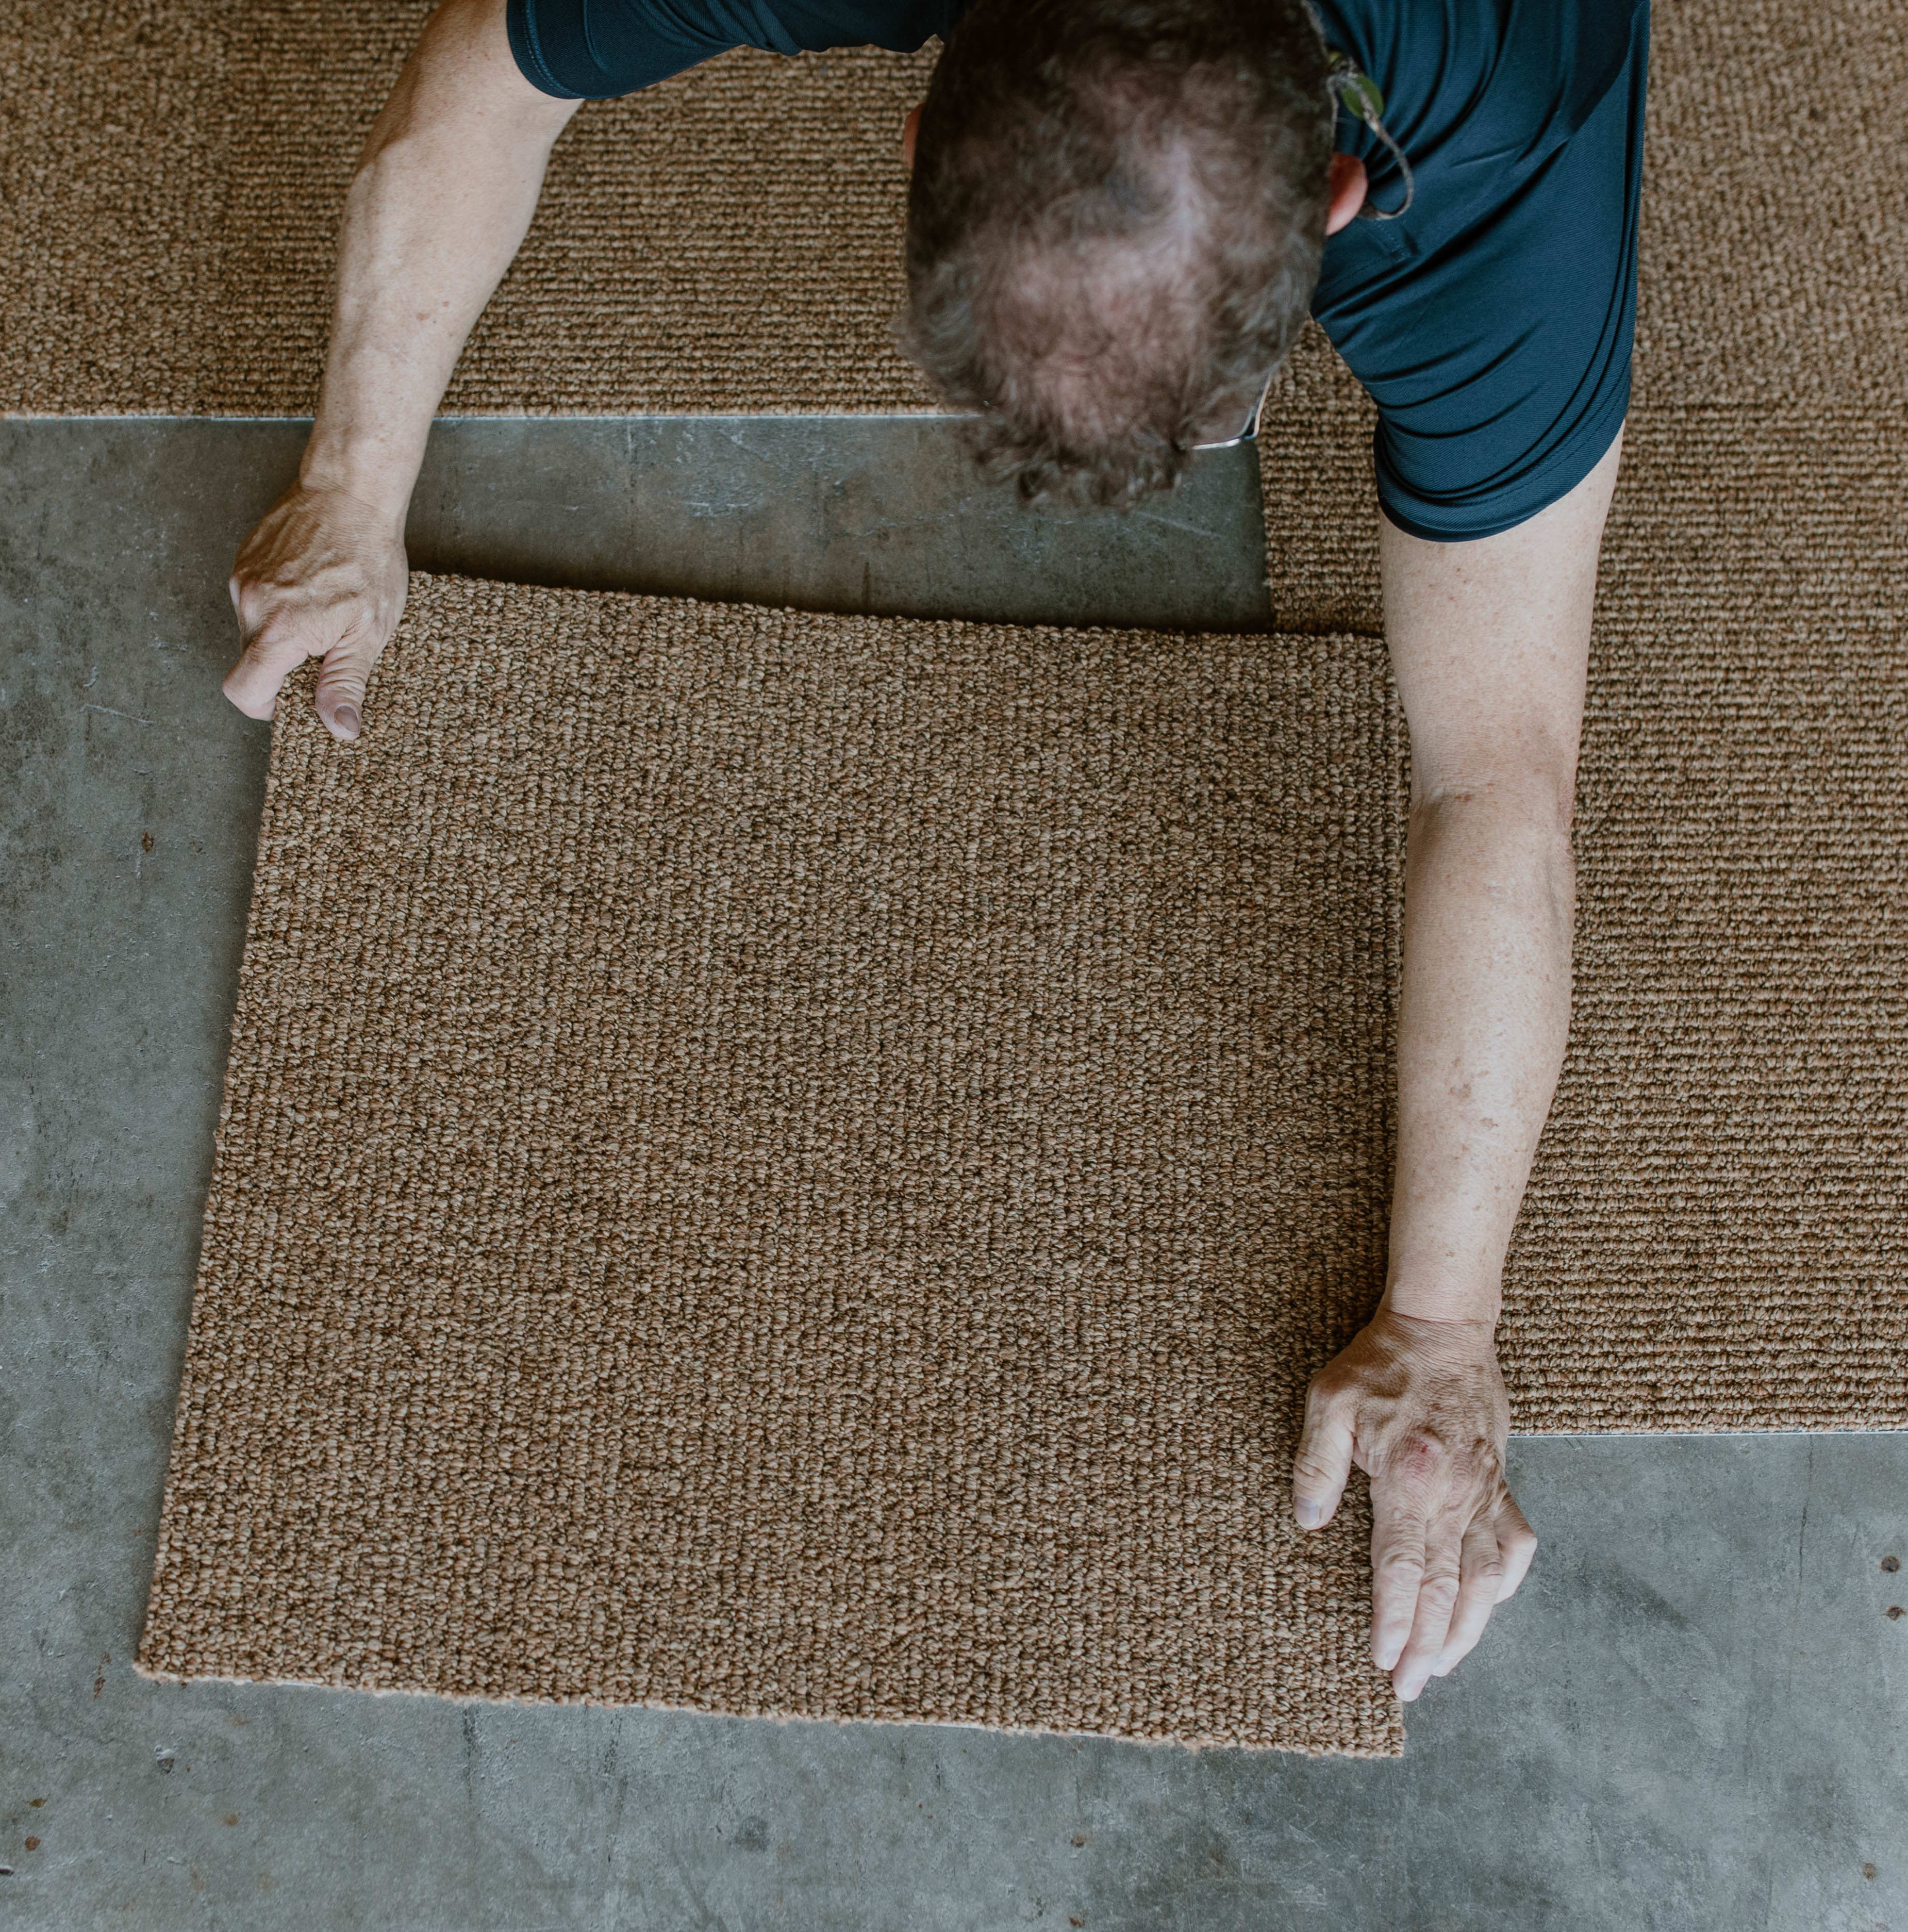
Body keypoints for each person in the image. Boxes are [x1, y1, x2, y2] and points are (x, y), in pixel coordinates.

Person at [222, 0, 1649, 1703]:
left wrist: (1444, 1324)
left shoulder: (1509, 121)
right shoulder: (1450, 126)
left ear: (1350, 194)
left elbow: (1497, 775)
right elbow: (493, 59)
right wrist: (350, 488)